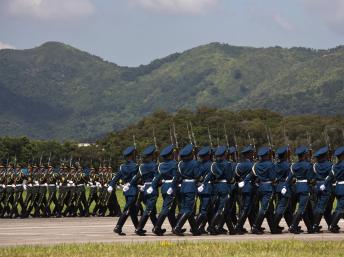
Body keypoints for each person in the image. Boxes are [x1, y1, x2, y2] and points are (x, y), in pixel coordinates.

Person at [108, 146, 139, 235]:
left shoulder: (122, 167)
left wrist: (111, 185)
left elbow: (116, 177)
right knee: (128, 209)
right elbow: (135, 177)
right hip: (132, 190)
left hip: (126, 190)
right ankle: (118, 227)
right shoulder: (135, 166)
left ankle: (138, 228)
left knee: (132, 210)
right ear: (132, 155)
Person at [245, 147, 276, 234]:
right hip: (268, 188)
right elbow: (273, 178)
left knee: (269, 208)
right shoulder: (270, 165)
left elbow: (251, 175)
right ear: (266, 155)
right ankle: (255, 226)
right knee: (264, 208)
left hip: (260, 187)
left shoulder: (257, 165)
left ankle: (273, 228)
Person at [172, 144, 201, 236]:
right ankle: (177, 227)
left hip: (183, 187)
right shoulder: (195, 163)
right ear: (190, 154)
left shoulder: (180, 164)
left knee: (185, 208)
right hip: (191, 187)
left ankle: (195, 229)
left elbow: (176, 177)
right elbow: (197, 176)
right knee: (189, 209)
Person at [151, 145, 178, 236]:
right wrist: (172, 187)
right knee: (167, 208)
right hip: (171, 187)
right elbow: (175, 177)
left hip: (164, 187)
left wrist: (153, 185)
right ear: (170, 155)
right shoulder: (174, 164)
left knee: (171, 209)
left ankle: (175, 227)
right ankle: (157, 227)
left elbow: (157, 177)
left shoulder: (161, 165)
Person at [131, 145, 159, 236]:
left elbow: (137, 177)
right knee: (149, 210)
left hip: (144, 188)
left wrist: (131, 184)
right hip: (152, 188)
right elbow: (157, 177)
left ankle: (157, 227)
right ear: (151, 156)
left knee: (152, 210)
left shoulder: (142, 166)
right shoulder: (154, 165)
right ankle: (139, 228)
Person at [288, 146, 315, 234]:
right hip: (305, 188)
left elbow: (290, 178)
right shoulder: (308, 165)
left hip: (297, 187)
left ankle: (310, 228)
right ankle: (293, 226)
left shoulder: (294, 165)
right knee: (301, 209)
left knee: (305, 209)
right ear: (304, 155)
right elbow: (309, 178)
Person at [323, 146, 344, 233]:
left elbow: (329, 177)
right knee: (340, 208)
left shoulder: (334, 166)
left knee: (339, 206)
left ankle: (332, 223)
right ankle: (332, 225)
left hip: (338, 188)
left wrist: (323, 185)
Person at [272, 146, 293, 232]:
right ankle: (274, 226)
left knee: (287, 208)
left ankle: (292, 226)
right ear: (285, 155)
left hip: (278, 187)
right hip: (285, 187)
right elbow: (289, 178)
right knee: (281, 208)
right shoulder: (287, 165)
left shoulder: (276, 165)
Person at [312, 146, 333, 232]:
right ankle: (315, 225)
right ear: (325, 156)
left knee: (323, 206)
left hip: (317, 186)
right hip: (326, 186)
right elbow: (332, 177)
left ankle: (331, 224)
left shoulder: (315, 165)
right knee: (321, 207)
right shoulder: (330, 165)